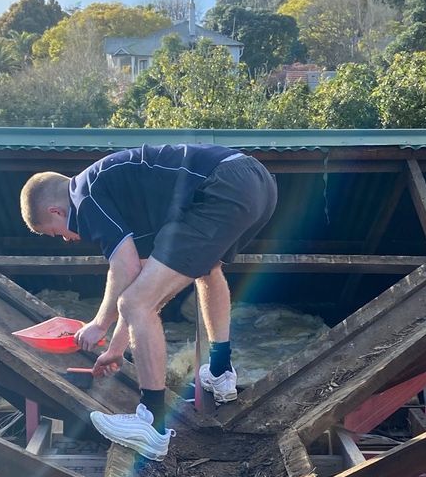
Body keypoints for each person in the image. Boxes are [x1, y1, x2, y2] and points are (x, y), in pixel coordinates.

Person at [20, 144, 277, 460]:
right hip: (256, 182)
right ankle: (221, 373)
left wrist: (99, 324)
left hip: (225, 185)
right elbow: (139, 278)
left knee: (135, 302)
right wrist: (115, 349)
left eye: (55, 233)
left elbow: (125, 270)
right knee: (206, 271)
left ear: (56, 212)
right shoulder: (121, 193)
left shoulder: (84, 196)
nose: (65, 238)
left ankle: (151, 423)